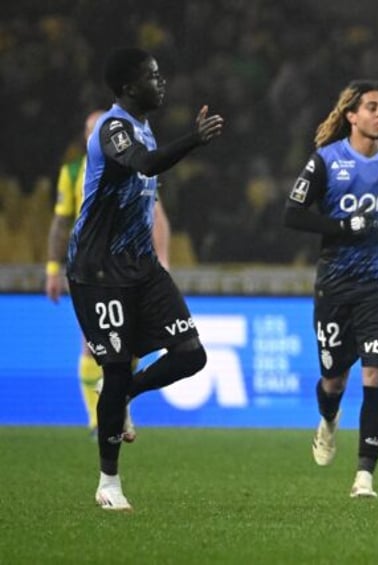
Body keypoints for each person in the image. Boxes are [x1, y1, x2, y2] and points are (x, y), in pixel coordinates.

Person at [67, 46, 223, 511]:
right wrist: (193, 140)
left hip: (141, 267)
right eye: (153, 77)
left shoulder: (144, 126)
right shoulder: (113, 128)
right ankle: (108, 483)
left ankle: (123, 393)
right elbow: (145, 165)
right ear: (129, 86)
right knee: (115, 367)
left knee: (191, 355)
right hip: (99, 271)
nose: (162, 83)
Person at [283, 79, 378, 498]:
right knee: (334, 381)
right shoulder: (325, 161)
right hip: (335, 288)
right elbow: (293, 215)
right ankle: (327, 420)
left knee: (376, 375)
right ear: (352, 116)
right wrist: (344, 226)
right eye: (373, 108)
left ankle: (365, 474)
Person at [46, 110, 172, 438]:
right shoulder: (73, 172)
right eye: (92, 131)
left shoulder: (131, 167)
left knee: (128, 346)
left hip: (128, 265)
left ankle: (119, 405)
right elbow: (61, 222)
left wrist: (163, 258)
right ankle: (97, 420)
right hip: (90, 265)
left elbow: (156, 214)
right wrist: (52, 268)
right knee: (92, 343)